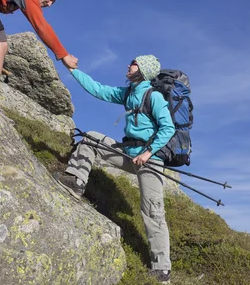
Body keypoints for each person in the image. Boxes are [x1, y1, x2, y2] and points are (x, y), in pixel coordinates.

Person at [54, 55, 174, 284]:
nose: (129, 65)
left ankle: (162, 270)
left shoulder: (154, 96)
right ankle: (76, 181)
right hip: (128, 154)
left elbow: (168, 128)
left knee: (153, 212)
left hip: (151, 161)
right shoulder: (128, 93)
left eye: (134, 63)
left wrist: (148, 153)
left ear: (143, 71)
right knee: (91, 139)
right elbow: (99, 90)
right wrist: (73, 71)